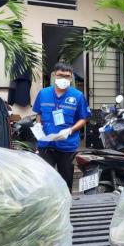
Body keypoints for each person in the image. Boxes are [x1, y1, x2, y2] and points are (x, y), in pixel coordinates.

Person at [32, 62, 91, 190]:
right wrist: (38, 125)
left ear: (71, 78)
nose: (63, 79)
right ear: (54, 75)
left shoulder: (77, 96)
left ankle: (66, 206)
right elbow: (39, 113)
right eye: (60, 75)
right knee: (44, 180)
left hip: (67, 145)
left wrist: (70, 130)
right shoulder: (43, 93)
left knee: (66, 180)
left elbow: (83, 118)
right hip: (46, 145)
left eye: (67, 76)